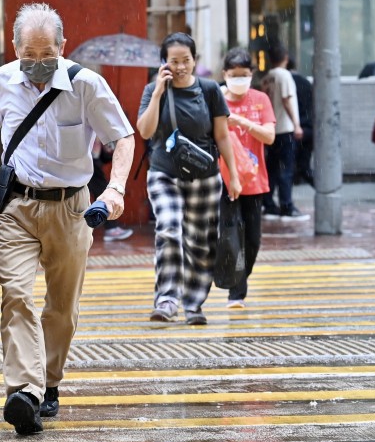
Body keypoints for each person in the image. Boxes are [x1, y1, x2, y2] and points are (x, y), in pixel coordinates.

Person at [0, 2, 135, 436]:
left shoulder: (87, 86)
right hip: (17, 208)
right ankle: (24, 392)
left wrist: (116, 188)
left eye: (48, 55)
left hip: (71, 208)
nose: (38, 65)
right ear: (15, 48)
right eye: (30, 56)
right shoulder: (3, 79)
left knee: (62, 308)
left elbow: (122, 136)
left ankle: (49, 383)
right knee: (16, 295)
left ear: (62, 47)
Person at [137, 32, 242, 325]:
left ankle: (194, 304)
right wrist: (158, 92)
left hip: (205, 176)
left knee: (200, 242)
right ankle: (167, 300)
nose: (181, 66)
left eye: (186, 60)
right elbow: (145, 132)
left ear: (195, 60)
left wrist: (233, 175)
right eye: (174, 61)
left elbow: (222, 135)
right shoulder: (153, 90)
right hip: (164, 172)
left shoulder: (209, 90)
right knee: (169, 229)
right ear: (164, 63)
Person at [220, 47, 275, 309]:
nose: (239, 79)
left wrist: (242, 122)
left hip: (255, 181)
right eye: (234, 75)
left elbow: (269, 136)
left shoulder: (260, 99)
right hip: (224, 179)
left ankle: (240, 278)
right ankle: (236, 291)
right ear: (225, 74)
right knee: (232, 236)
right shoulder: (216, 97)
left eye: (244, 74)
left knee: (252, 239)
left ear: (251, 74)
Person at [260, 44, 307, 221]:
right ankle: (287, 206)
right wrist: (297, 124)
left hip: (270, 129)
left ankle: (269, 204)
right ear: (285, 57)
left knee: (271, 169)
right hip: (285, 128)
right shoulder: (284, 75)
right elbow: (286, 100)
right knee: (286, 169)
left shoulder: (267, 78)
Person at [89, 139, 132, 241]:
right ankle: (111, 228)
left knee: (101, 190)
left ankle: (111, 227)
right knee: (101, 190)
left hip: (91, 158)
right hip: (84, 159)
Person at [287, 55, 314, 186]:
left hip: (292, 129)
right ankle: (321, 186)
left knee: (286, 168)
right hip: (309, 128)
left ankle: (285, 202)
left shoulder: (286, 82)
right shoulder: (306, 82)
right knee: (304, 166)